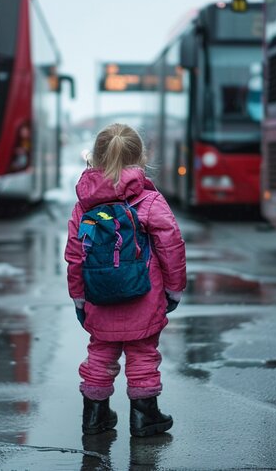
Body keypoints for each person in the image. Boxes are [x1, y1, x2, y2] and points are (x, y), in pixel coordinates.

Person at [65, 123, 186, 437]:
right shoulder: (149, 201)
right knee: (143, 354)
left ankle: (94, 417)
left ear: (96, 158)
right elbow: (171, 246)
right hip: (144, 297)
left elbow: (76, 255)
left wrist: (79, 298)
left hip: (98, 296)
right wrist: (174, 289)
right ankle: (145, 417)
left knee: (100, 353)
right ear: (141, 158)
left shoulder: (84, 206)